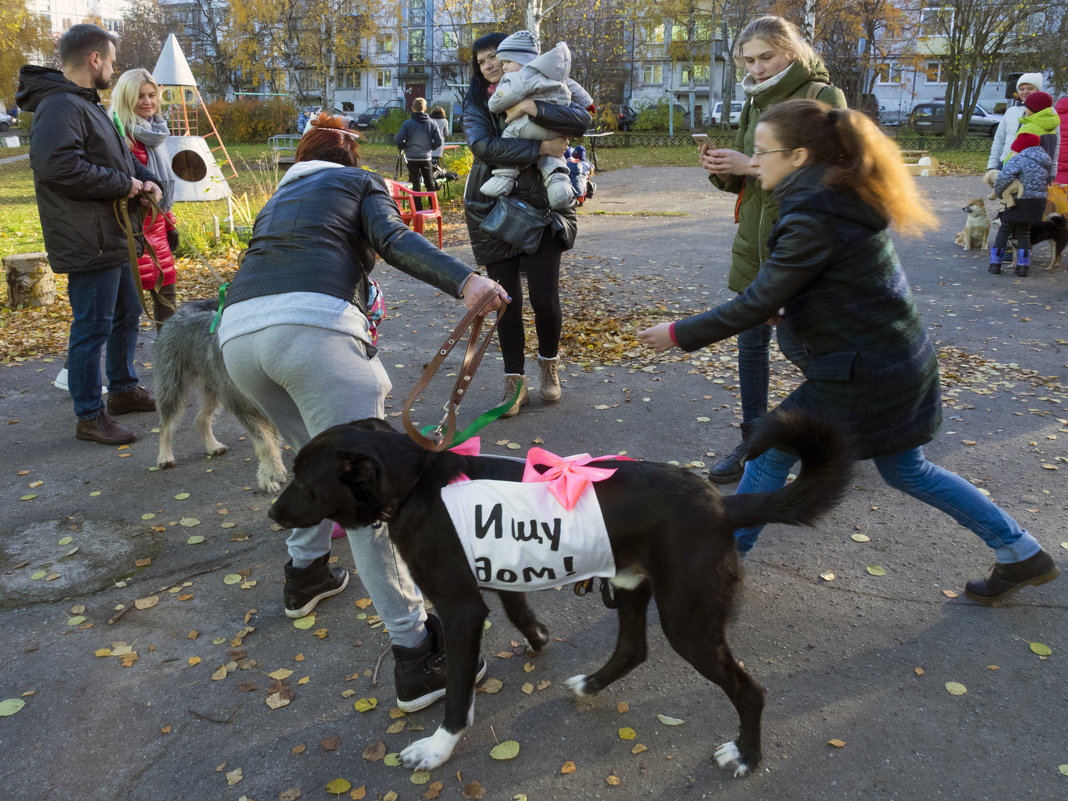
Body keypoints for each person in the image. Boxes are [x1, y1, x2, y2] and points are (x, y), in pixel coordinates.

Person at [638, 99, 1061, 603]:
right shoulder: (836, 197)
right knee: (907, 469)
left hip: (863, 371)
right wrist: (792, 304)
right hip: (894, 360)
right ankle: (1020, 552)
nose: (755, 162)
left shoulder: (815, 213)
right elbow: (836, 284)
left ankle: (711, 568)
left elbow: (758, 299)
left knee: (769, 454)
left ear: (797, 157)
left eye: (762, 152)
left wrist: (679, 332)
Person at [216, 114, 507, 710]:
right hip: (314, 334)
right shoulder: (357, 182)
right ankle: (416, 656)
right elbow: (394, 238)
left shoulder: (281, 195)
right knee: (375, 500)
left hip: (238, 340)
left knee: (313, 461)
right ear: (348, 159)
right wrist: (465, 282)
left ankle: (306, 574)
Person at [699, 15, 846, 484]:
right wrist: (724, 167)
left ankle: (850, 423)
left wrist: (752, 163)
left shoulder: (823, 97)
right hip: (752, 241)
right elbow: (748, 177)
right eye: (747, 60)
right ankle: (753, 442)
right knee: (750, 344)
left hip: (802, 244)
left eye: (766, 57)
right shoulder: (753, 100)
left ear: (792, 50)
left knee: (804, 345)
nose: (757, 68)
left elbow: (835, 175)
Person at [16, 23, 160, 446]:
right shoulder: (60, 105)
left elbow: (118, 158)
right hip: (87, 238)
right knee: (92, 327)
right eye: (111, 60)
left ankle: (122, 390)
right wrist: (125, 186)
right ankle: (89, 415)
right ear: (94, 59)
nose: (113, 69)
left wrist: (146, 179)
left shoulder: (85, 103)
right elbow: (57, 167)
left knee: (126, 315)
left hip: (111, 235)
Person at [463, 31, 592, 415]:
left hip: (544, 206)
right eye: (481, 60)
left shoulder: (548, 83)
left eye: (494, 57)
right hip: (493, 207)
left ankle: (549, 367)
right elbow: (483, 146)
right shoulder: (477, 101)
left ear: (511, 57)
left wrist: (535, 108)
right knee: (505, 302)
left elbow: (582, 118)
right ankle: (514, 381)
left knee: (544, 298)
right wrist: (540, 147)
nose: (488, 65)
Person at [110, 68, 180, 328]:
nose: (148, 101)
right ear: (127, 98)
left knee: (168, 302)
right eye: (140, 96)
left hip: (157, 228)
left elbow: (163, 187)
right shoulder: (121, 136)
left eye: (152, 95)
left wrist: (170, 222)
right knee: (128, 312)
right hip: (133, 231)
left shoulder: (155, 134)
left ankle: (168, 364)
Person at [481, 32, 577, 210]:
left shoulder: (521, 76)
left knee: (510, 133)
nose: (503, 68)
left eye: (505, 62)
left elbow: (498, 102)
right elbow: (583, 101)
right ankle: (559, 184)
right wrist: (544, 146)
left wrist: (500, 103)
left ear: (522, 59)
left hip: (531, 126)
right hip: (556, 129)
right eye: (480, 62)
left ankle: (504, 176)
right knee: (552, 157)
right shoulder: (555, 75)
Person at [989, 133, 1053, 277]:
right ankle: (1023, 267)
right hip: (1037, 203)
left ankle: (995, 265)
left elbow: (1003, 179)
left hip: (1019, 200)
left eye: (1013, 150)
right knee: (1024, 232)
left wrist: (999, 193)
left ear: (1020, 149)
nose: (1012, 153)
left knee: (1004, 229)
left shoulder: (1018, 160)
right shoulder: (1043, 161)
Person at [987, 73, 1043, 175]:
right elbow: (999, 140)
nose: (1025, 92)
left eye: (1030, 88)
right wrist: (992, 165)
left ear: (1038, 90)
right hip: (1006, 163)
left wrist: (1053, 173)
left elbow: (1055, 145)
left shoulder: (1048, 113)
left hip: (1032, 168)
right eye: (1021, 89)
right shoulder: (1011, 111)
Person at [394, 96, 441, 210]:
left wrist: (406, 147)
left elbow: (398, 140)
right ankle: (433, 207)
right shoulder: (432, 123)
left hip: (412, 158)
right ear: (425, 108)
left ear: (412, 108)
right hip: (426, 157)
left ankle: (418, 209)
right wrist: (430, 147)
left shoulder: (407, 124)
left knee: (415, 183)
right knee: (429, 182)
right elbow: (439, 141)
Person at [1014, 91, 1060, 181]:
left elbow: (1016, 155)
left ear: (1033, 108)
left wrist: (1005, 165)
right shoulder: (1051, 128)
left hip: (1025, 177)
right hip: (1044, 175)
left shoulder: (1029, 129)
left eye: (1026, 106)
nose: (1024, 109)